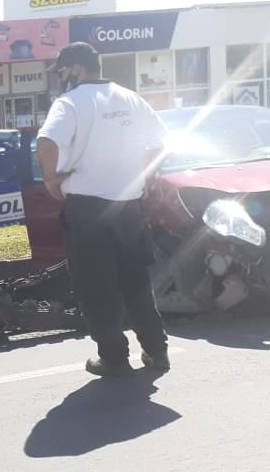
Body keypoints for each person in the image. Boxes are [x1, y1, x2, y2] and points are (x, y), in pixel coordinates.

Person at [36, 41, 171, 378]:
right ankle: (156, 350)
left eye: (63, 71)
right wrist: (142, 174)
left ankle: (113, 357)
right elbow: (161, 142)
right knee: (136, 282)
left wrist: (51, 180)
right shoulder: (130, 98)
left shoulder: (69, 103)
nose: (62, 78)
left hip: (88, 209)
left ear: (77, 69)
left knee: (97, 287)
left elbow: (46, 142)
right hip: (127, 206)